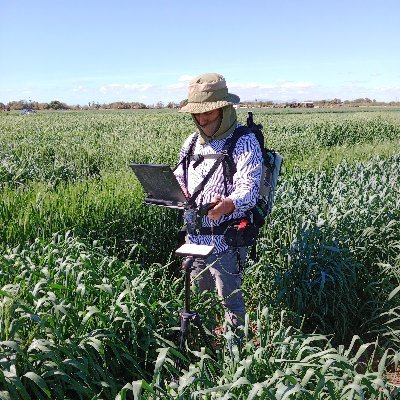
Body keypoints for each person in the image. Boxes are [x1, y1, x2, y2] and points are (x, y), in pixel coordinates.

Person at [174, 72, 263, 334]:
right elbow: (181, 175)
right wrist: (174, 191)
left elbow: (249, 189)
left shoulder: (244, 141)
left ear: (224, 109)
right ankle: (204, 345)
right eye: (197, 114)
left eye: (208, 114)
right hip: (194, 239)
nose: (202, 120)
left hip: (226, 239)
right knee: (198, 296)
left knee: (230, 301)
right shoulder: (191, 142)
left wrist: (227, 205)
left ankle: (236, 355)